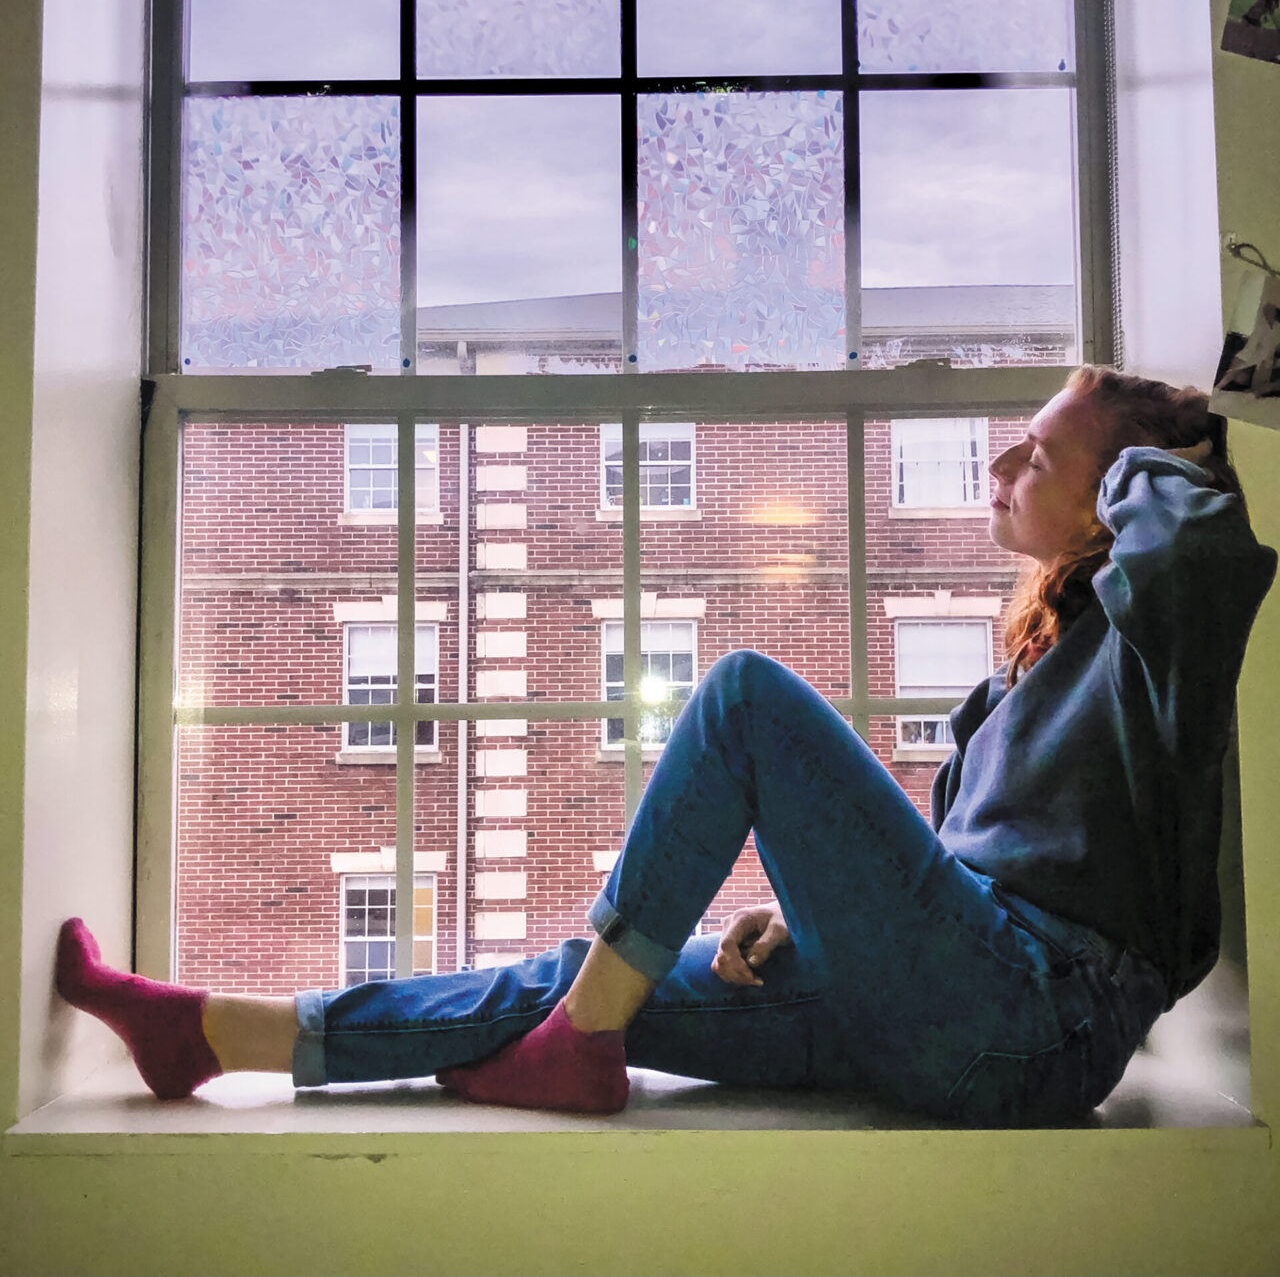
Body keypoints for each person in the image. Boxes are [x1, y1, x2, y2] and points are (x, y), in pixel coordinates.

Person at [56, 366, 1276, 1127]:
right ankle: (219, 1035)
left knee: (740, 695)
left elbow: (1210, 553)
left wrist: (1138, 458)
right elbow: (977, 876)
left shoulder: (1154, 632)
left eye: (1039, 451)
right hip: (949, 1006)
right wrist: (808, 927)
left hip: (1033, 1026)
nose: (1003, 463)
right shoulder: (1023, 671)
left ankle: (579, 1042)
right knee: (581, 974)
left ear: (1125, 483)